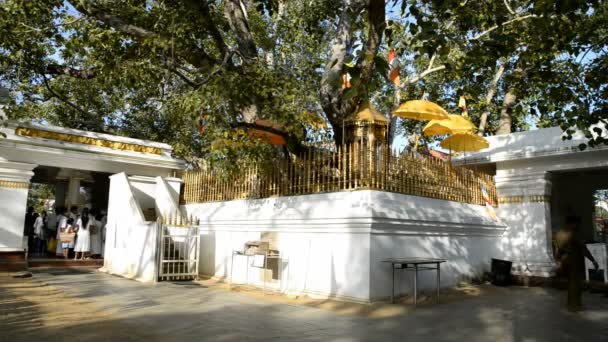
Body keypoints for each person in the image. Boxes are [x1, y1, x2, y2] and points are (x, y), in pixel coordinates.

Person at [554, 216, 600, 312]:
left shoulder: (558, 233)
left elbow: (557, 250)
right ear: (572, 223)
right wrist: (593, 260)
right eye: (577, 223)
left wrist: (558, 261)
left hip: (564, 260)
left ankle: (571, 304)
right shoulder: (573, 234)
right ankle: (574, 306)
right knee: (575, 284)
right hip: (574, 260)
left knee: (571, 283)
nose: (579, 226)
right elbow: (583, 248)